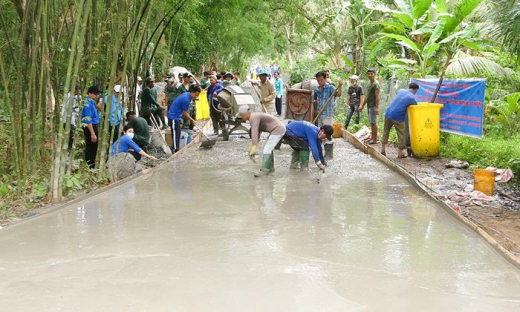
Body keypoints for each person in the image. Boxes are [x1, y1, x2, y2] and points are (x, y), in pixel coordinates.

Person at [238, 106, 286, 177]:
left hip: (278, 130)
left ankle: (264, 170)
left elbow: (254, 132)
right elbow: (258, 132)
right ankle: (270, 168)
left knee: (267, 149)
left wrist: (254, 146)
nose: (241, 117)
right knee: (269, 148)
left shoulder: (253, 118)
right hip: (276, 130)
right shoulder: (255, 116)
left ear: (245, 114)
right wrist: (254, 145)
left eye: (241, 116)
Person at [381, 83, 419, 158]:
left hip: (388, 113)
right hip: (397, 116)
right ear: (415, 90)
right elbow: (416, 107)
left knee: (386, 131)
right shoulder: (412, 97)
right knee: (402, 134)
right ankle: (400, 153)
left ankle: (382, 149)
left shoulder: (401, 90)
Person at [167, 86, 201, 153]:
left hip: (177, 116)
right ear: (192, 92)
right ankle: (175, 150)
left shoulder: (187, 94)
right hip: (173, 116)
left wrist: (194, 98)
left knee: (178, 132)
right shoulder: (186, 100)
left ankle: (176, 147)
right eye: (196, 95)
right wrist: (192, 120)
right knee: (175, 134)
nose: (196, 97)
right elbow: (185, 113)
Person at [81, 86, 101, 169]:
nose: (97, 96)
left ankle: (91, 164)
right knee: (91, 146)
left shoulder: (92, 102)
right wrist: (92, 133)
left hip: (93, 125)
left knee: (93, 146)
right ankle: (90, 165)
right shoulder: (88, 104)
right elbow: (88, 119)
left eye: (98, 94)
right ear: (90, 94)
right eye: (95, 94)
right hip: (90, 126)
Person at [359, 69, 380, 144]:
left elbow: (377, 96)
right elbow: (366, 97)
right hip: (369, 105)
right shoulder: (369, 84)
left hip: (373, 106)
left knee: (374, 123)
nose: (370, 75)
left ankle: (374, 139)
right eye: (369, 74)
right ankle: (372, 137)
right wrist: (362, 105)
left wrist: (377, 107)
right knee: (371, 122)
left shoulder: (376, 84)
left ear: (374, 74)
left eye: (371, 74)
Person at [61, 85, 81, 151]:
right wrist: (76, 106)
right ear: (75, 90)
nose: (79, 91)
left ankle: (70, 149)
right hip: (67, 119)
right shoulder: (69, 96)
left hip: (72, 119)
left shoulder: (76, 97)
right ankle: (69, 150)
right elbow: (67, 107)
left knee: (71, 135)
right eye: (78, 90)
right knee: (70, 136)